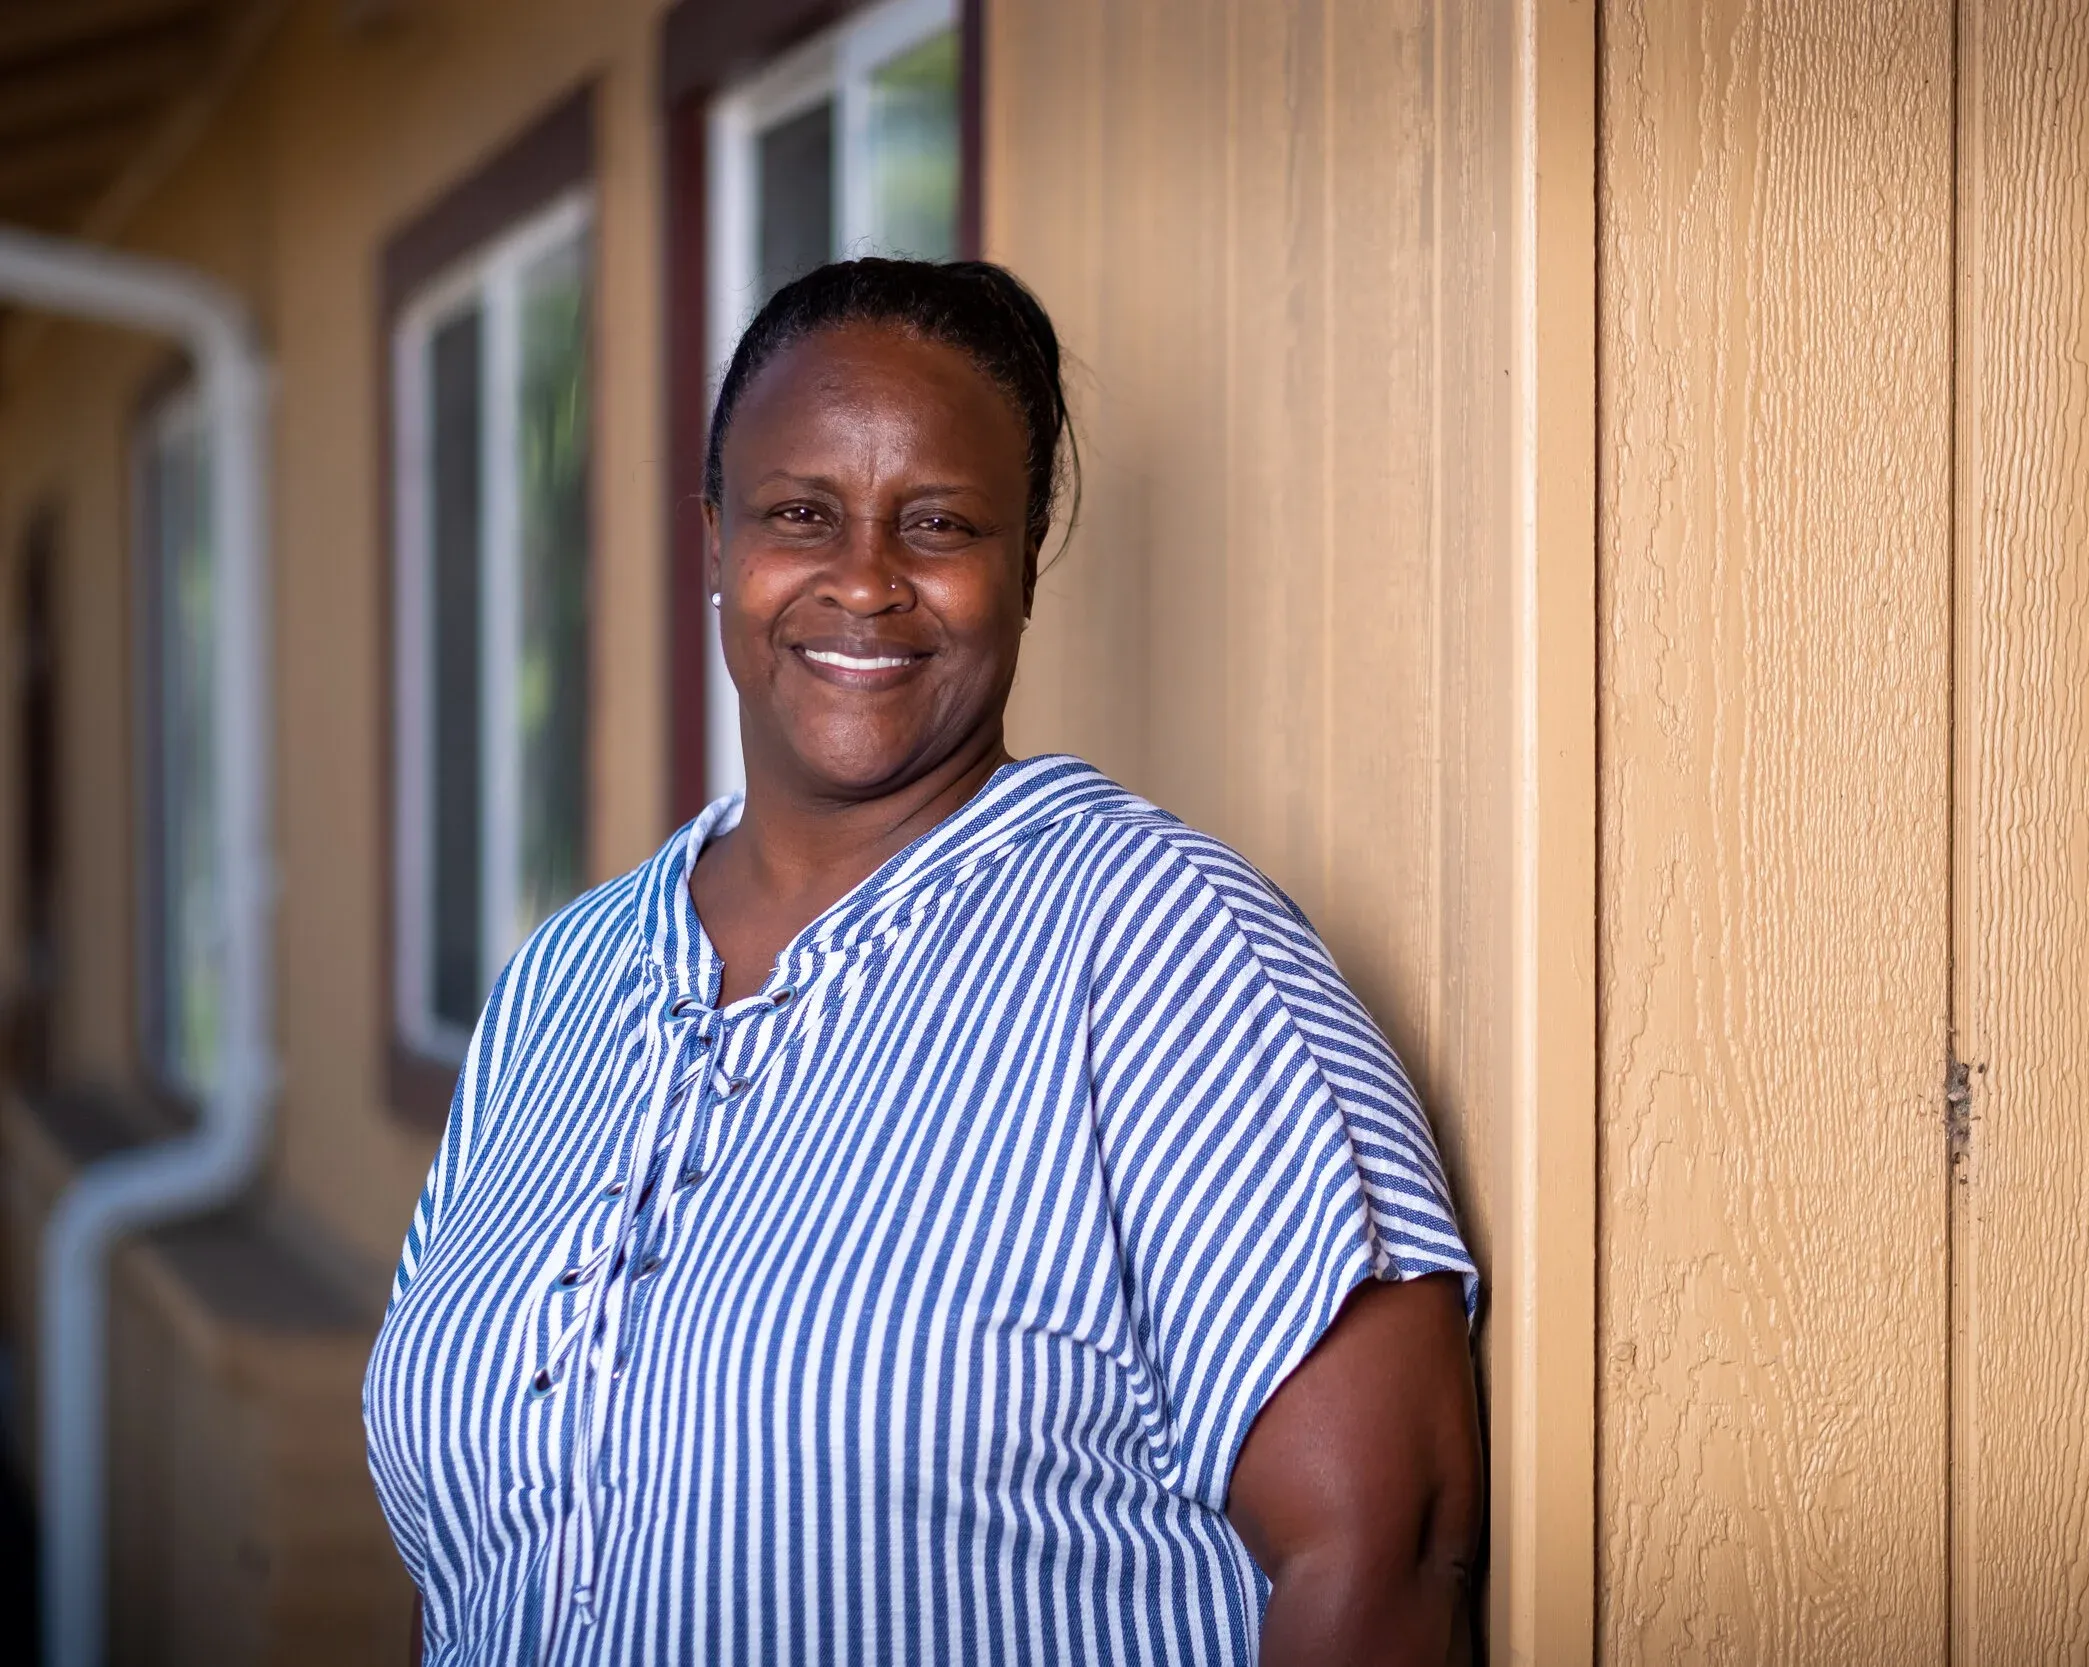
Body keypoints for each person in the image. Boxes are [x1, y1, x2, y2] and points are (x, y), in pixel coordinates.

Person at [364, 258, 1481, 1665]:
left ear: (1025, 557)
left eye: (939, 522)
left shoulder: (1165, 951)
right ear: (716, 540)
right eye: (800, 514)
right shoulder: (562, 983)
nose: (866, 580)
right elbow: (471, 1548)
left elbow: (1383, 1545)